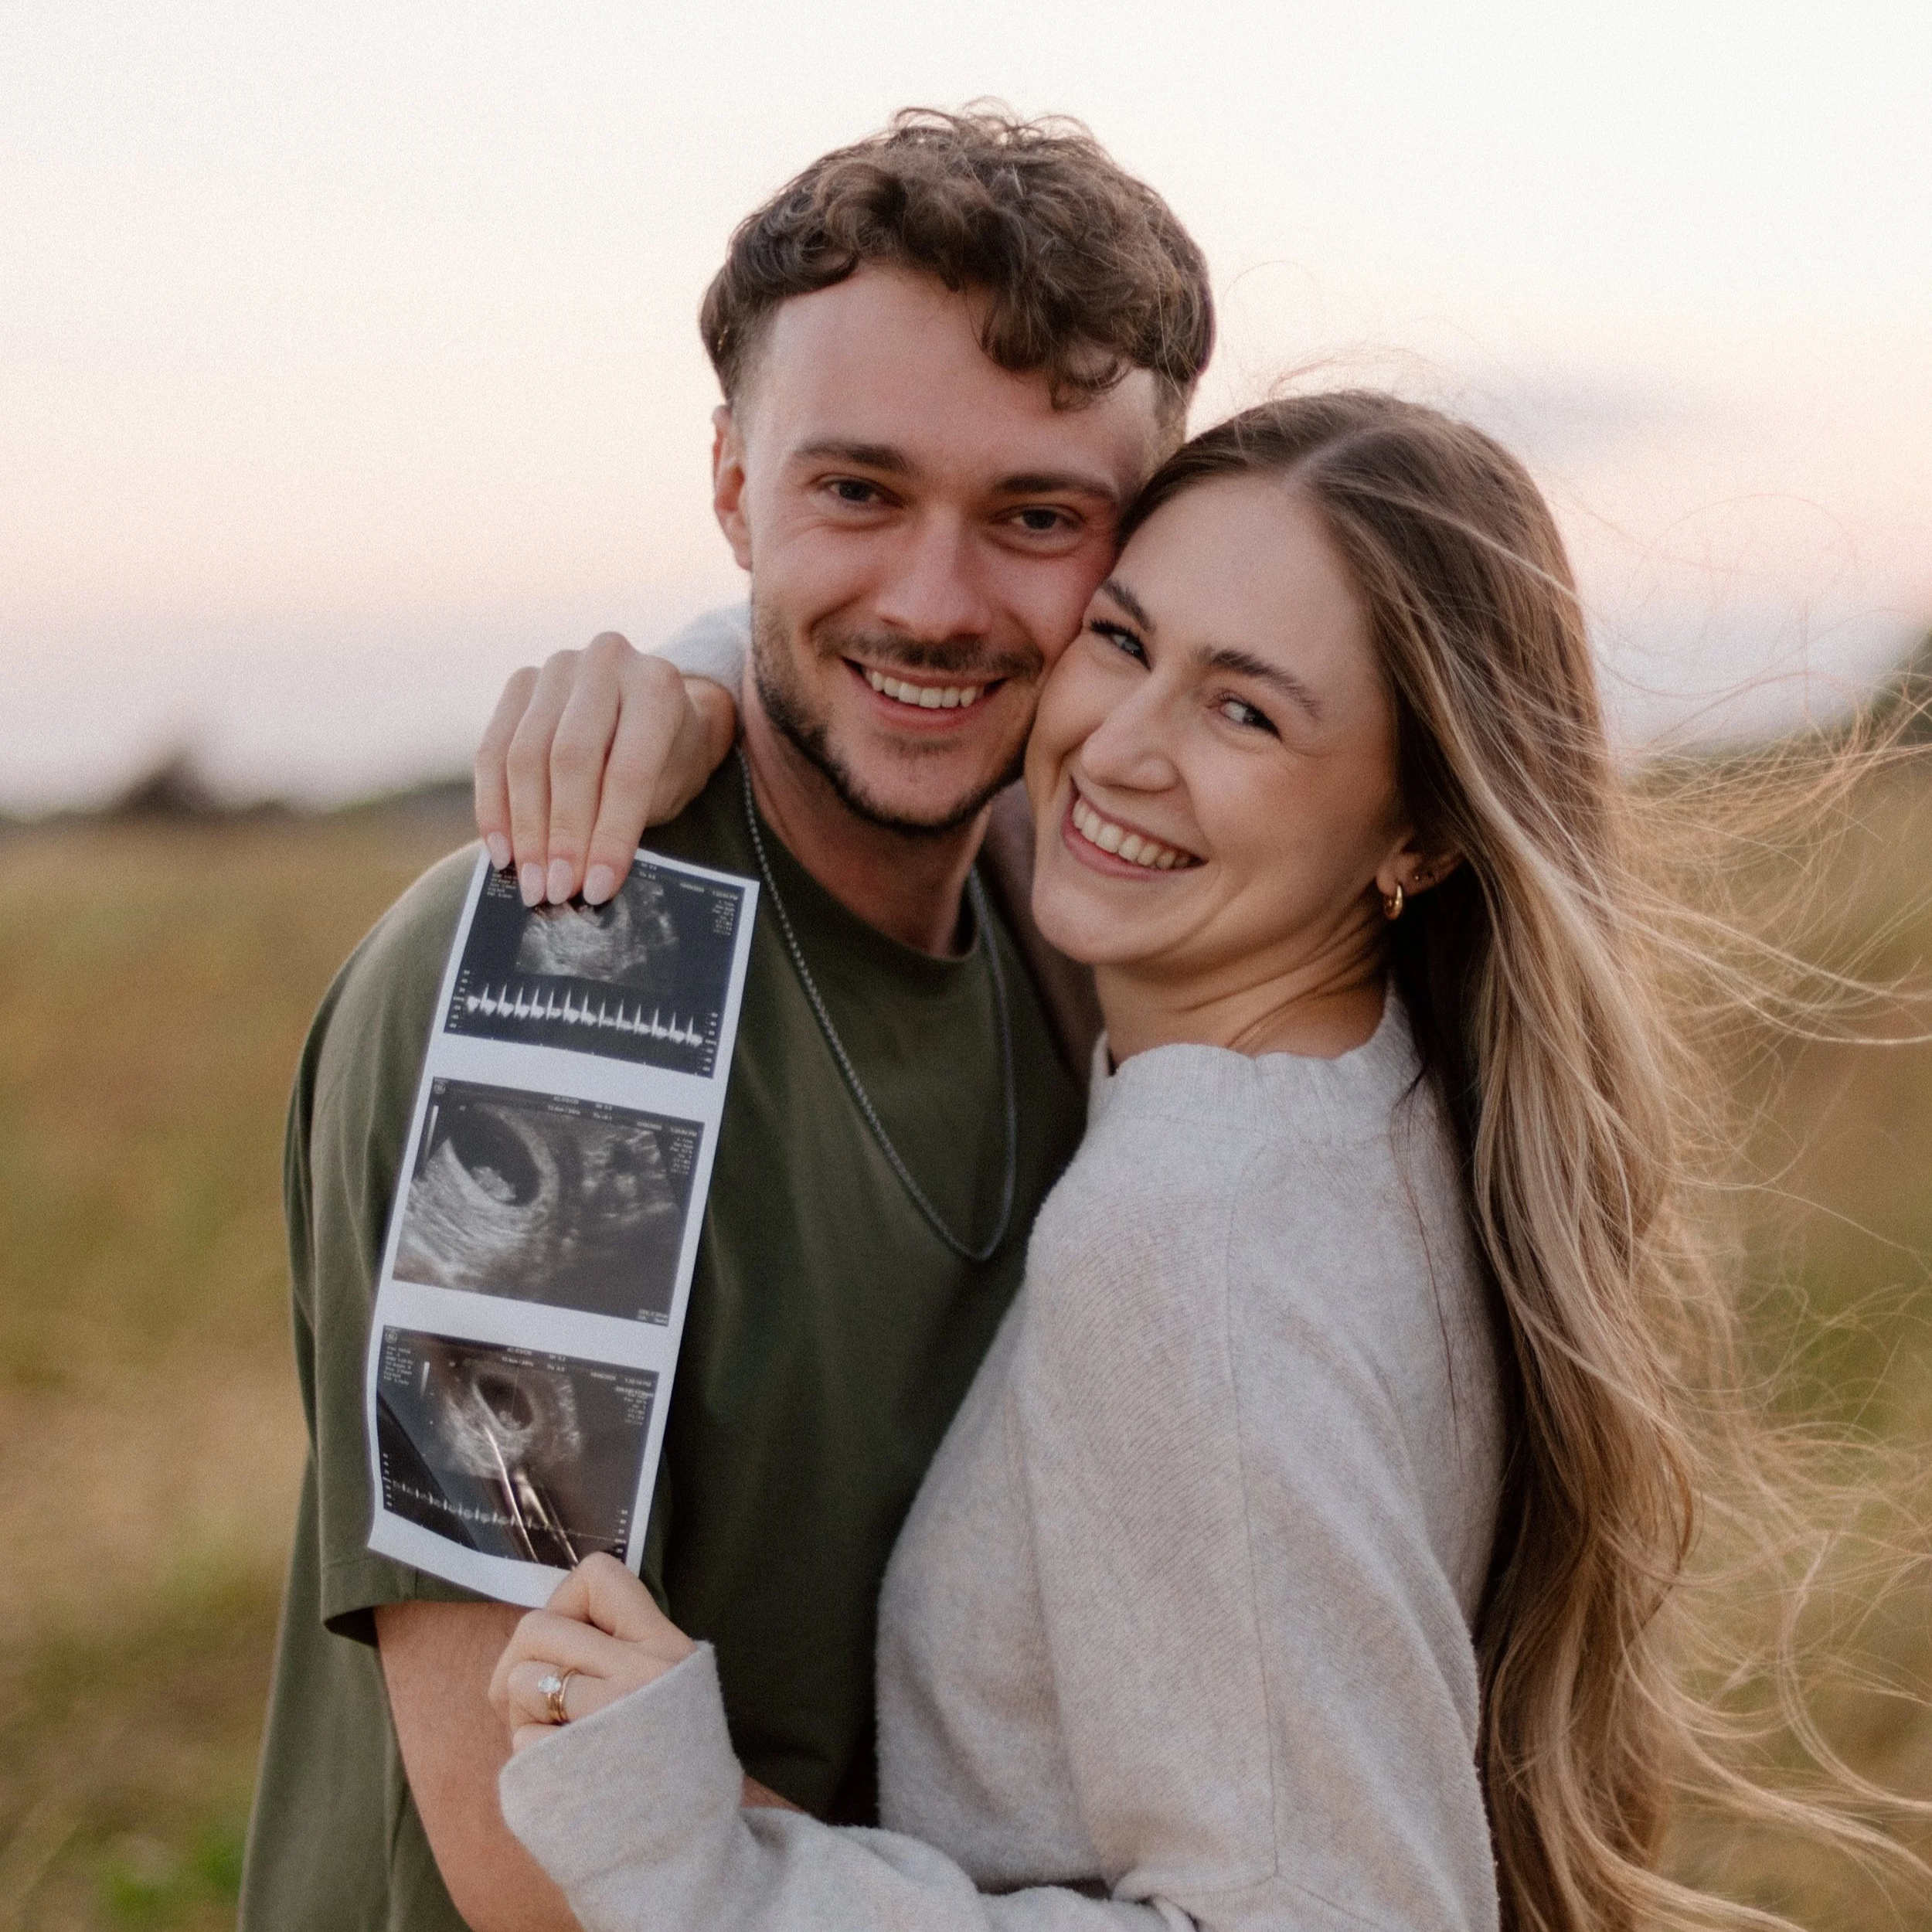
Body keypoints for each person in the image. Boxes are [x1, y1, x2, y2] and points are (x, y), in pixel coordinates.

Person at [470, 387, 1705, 1930]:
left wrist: (708, 1866)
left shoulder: (1181, 1227)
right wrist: (702, 678)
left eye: (1244, 710)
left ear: (1420, 835)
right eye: (1119, 639)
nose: (1117, 747)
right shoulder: (1367, 1095)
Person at [236, 109, 1215, 1932]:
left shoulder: (1060, 926)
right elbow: (541, 1841)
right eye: (854, 489)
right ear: (728, 484)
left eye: (1034, 517)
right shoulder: (567, 981)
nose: (933, 599)